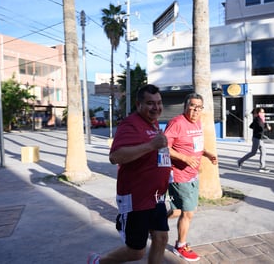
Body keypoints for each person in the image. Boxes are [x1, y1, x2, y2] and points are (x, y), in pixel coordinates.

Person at [87, 84, 172, 264]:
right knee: (136, 252)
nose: (156, 107)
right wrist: (151, 145)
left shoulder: (153, 123)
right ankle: (98, 262)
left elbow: (155, 155)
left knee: (161, 238)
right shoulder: (130, 124)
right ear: (138, 104)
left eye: (159, 102)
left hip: (156, 197)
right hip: (136, 199)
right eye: (150, 103)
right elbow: (115, 156)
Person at [164, 93, 217, 262]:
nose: (195, 110)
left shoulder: (198, 122)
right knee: (189, 212)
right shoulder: (177, 123)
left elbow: (195, 145)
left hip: (193, 174)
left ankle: (154, 225)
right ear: (186, 106)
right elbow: (163, 147)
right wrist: (185, 158)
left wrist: (207, 153)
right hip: (179, 174)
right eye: (192, 106)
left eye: (199, 107)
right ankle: (180, 246)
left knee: (178, 211)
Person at [237, 107, 271, 172]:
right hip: (257, 139)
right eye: (262, 112)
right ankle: (240, 161)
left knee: (263, 151)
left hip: (258, 138)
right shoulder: (259, 119)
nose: (263, 113)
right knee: (253, 153)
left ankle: (262, 166)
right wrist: (267, 128)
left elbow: (251, 126)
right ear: (258, 113)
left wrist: (260, 127)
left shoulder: (259, 119)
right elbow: (261, 129)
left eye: (264, 112)